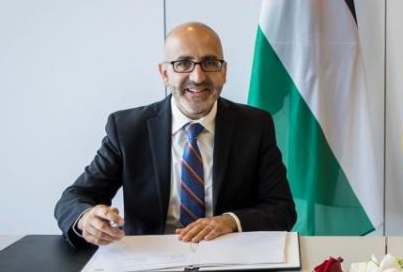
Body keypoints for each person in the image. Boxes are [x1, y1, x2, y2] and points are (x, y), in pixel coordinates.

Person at [55, 22, 296, 247]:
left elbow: (282, 210)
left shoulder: (255, 125)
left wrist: (230, 221)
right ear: (164, 73)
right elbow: (73, 198)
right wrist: (86, 218)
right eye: (183, 63)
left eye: (210, 62)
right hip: (150, 260)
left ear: (223, 71)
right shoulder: (128, 128)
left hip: (229, 256)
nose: (198, 77)